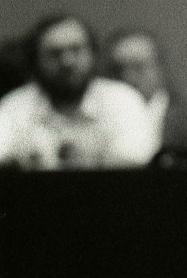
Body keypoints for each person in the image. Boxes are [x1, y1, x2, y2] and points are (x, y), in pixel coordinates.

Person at [0, 14, 157, 169]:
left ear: (93, 54)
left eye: (76, 50)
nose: (67, 62)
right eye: (55, 53)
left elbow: (135, 161)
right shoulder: (14, 107)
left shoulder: (122, 100)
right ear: (35, 61)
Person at [105, 29, 187, 169]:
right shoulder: (101, 117)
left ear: (160, 67)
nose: (128, 76)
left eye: (138, 67)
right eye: (118, 69)